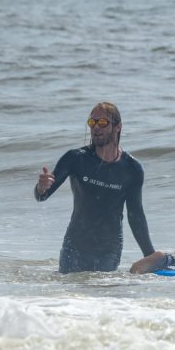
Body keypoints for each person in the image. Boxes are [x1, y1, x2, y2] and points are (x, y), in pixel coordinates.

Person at [35, 102, 155, 273]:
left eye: (103, 123)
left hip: (109, 250)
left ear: (118, 127)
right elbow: (42, 195)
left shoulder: (132, 169)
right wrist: (41, 188)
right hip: (75, 246)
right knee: (70, 297)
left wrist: (149, 256)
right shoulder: (75, 159)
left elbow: (136, 216)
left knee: (102, 297)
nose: (96, 128)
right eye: (92, 123)